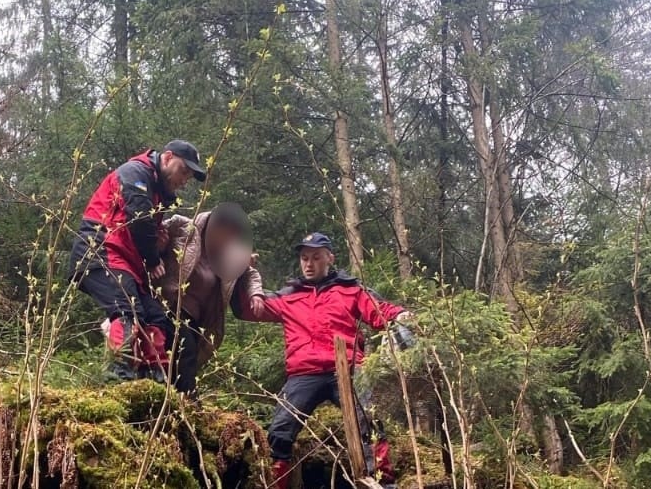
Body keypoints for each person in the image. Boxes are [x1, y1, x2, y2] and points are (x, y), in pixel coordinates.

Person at [231, 232, 413, 489]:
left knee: (369, 423)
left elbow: (379, 311)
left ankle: (384, 483)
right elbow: (249, 309)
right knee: (280, 430)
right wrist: (243, 273)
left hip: (347, 368)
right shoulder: (288, 296)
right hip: (303, 373)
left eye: (316, 257)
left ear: (330, 258)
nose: (309, 263)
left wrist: (402, 315)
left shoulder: (349, 289)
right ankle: (276, 484)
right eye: (305, 258)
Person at [70, 140, 206, 382]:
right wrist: (153, 259)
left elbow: (142, 229)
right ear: (167, 157)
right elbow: (140, 220)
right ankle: (118, 377)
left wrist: (158, 243)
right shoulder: (136, 172)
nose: (184, 180)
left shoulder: (158, 191)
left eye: (189, 176)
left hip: (125, 261)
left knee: (155, 317)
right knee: (127, 311)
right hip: (100, 249)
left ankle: (153, 379)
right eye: (184, 170)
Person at [156, 202, 264, 395]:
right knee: (185, 351)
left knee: (186, 358)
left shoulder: (229, 256)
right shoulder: (183, 227)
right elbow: (153, 231)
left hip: (199, 320)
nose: (227, 240)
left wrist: (255, 294)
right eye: (225, 234)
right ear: (213, 226)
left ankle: (171, 400)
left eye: (233, 236)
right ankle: (188, 401)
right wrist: (159, 245)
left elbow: (249, 274)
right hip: (169, 306)